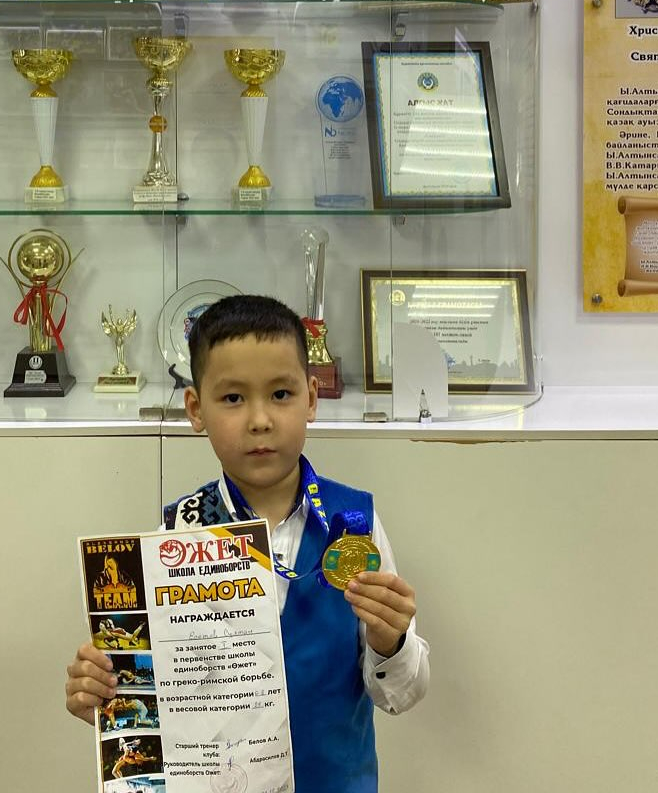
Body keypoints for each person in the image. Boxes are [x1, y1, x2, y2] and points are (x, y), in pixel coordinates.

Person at [67, 294, 429, 793]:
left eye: (280, 393)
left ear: (311, 399)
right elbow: (157, 697)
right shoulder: (179, 534)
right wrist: (105, 691)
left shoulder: (355, 524)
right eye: (233, 398)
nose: (260, 419)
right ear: (196, 409)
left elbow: (401, 695)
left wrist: (391, 642)